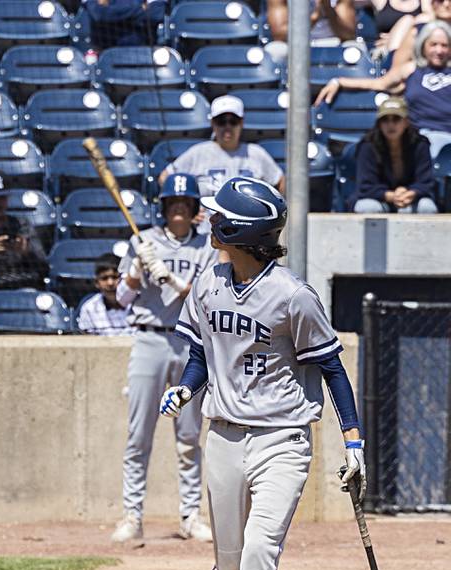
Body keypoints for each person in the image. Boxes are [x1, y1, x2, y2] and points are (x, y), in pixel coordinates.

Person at [159, 177, 364, 570]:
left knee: (260, 549)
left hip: (283, 440)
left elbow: (332, 368)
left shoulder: (294, 296)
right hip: (223, 436)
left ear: (235, 229)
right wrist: (186, 386)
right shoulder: (208, 282)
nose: (208, 222)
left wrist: (354, 441)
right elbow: (203, 354)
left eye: (216, 216)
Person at [110, 173, 218, 544]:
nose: (178, 210)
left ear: (193, 210)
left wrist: (170, 279)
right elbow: (122, 299)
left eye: (184, 204)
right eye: (172, 204)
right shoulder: (143, 242)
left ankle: (190, 515)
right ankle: (132, 516)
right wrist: (138, 272)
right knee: (139, 434)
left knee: (188, 435)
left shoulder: (206, 246)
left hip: (189, 343)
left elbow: (205, 297)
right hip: (149, 340)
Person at [315, 20, 451, 157]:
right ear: (423, 45)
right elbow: (378, 83)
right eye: (433, 45)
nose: (439, 51)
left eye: (444, 46)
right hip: (422, 134)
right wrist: (339, 82)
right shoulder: (411, 69)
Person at [159, 96, 285, 234]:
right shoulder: (198, 153)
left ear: (241, 123)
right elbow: (165, 178)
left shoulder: (256, 154)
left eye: (233, 121)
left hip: (246, 236)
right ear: (213, 123)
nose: (227, 127)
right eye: (221, 122)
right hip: (205, 236)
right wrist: (190, 210)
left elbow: (280, 182)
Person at [352, 95, 437, 213]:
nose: (390, 125)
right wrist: (391, 196)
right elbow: (366, 186)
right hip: (380, 199)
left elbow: (426, 182)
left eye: (396, 119)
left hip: (411, 198)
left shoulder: (420, 144)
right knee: (367, 207)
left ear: (406, 122)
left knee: (426, 207)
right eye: (385, 120)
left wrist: (411, 193)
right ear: (379, 123)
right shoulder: (367, 146)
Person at [264, 0, 358, 63]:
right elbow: (280, 35)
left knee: (356, 49)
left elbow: (349, 34)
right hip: (293, 43)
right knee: (274, 51)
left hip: (333, 41)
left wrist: (327, 8)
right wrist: (314, 17)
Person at [77, 253, 131, 335]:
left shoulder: (138, 303)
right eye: (104, 278)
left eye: (115, 277)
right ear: (96, 282)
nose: (110, 283)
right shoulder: (89, 308)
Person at [83, 0, 167, 52]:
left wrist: (113, 14)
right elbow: (99, 14)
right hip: (105, 52)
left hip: (144, 52)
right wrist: (141, 9)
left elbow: (156, 13)